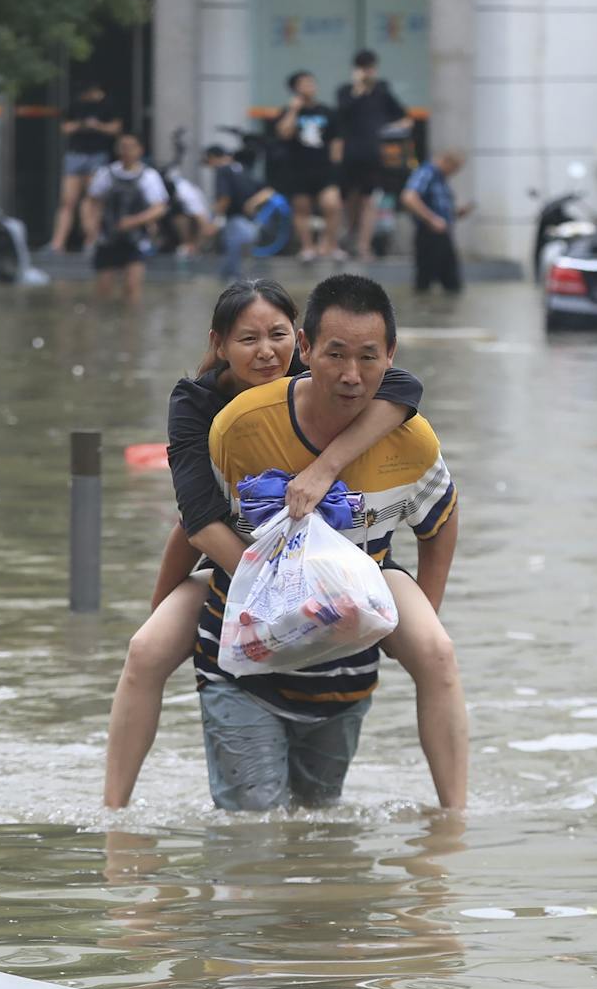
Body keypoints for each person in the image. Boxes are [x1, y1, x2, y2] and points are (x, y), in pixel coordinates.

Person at [103, 278, 467, 811]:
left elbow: (404, 389)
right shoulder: (208, 411)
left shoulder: (339, 379)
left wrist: (325, 467)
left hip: (353, 559)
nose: (265, 353)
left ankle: (454, 818)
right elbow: (195, 522)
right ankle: (114, 813)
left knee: (436, 651)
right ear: (219, 345)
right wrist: (278, 584)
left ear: (297, 342)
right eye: (247, 339)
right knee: (145, 649)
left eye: (276, 335)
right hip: (239, 557)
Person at [332, 50, 411, 261]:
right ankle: (348, 237)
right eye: (364, 68)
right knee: (348, 198)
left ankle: (364, 245)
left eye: (370, 68)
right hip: (350, 154)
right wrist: (358, 89)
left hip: (374, 153)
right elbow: (342, 113)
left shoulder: (382, 91)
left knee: (370, 199)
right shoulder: (345, 91)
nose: (368, 72)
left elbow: (403, 117)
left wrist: (389, 129)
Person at [85, 133, 169, 304]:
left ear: (140, 150)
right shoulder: (105, 173)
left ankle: (132, 318)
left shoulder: (149, 176)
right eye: (123, 146)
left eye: (131, 147)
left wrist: (135, 221)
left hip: (136, 239)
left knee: (132, 288)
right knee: (103, 290)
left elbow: (159, 207)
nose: (126, 151)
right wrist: (89, 225)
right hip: (108, 237)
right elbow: (92, 201)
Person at [275, 71, 345, 263]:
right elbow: (284, 134)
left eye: (311, 82)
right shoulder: (287, 111)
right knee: (302, 209)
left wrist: (336, 167)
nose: (310, 86)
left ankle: (330, 245)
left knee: (332, 205)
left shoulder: (327, 111)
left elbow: (336, 141)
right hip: (298, 168)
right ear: (295, 88)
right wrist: (293, 110)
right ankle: (307, 247)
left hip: (324, 167)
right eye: (304, 83)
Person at [49, 84, 122, 253]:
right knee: (68, 201)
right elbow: (65, 127)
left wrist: (97, 126)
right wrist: (82, 125)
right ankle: (58, 242)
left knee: (92, 199)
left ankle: (91, 239)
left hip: (97, 154)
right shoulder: (76, 106)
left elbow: (116, 128)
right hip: (76, 154)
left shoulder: (108, 106)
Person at [401, 149, 472, 293]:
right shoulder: (427, 172)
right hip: (429, 234)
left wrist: (456, 213)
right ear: (447, 162)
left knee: (452, 283)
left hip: (443, 234)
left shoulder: (441, 179)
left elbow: (440, 209)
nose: (454, 173)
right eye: (455, 168)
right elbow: (408, 197)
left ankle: (435, 305)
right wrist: (431, 219)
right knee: (425, 282)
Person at [203, 145, 274, 281]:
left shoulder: (223, 170)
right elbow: (268, 191)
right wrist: (252, 203)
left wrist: (215, 220)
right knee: (242, 263)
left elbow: (224, 198)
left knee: (232, 267)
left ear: (212, 158)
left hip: (236, 221)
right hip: (251, 223)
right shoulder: (241, 168)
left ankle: (230, 283)